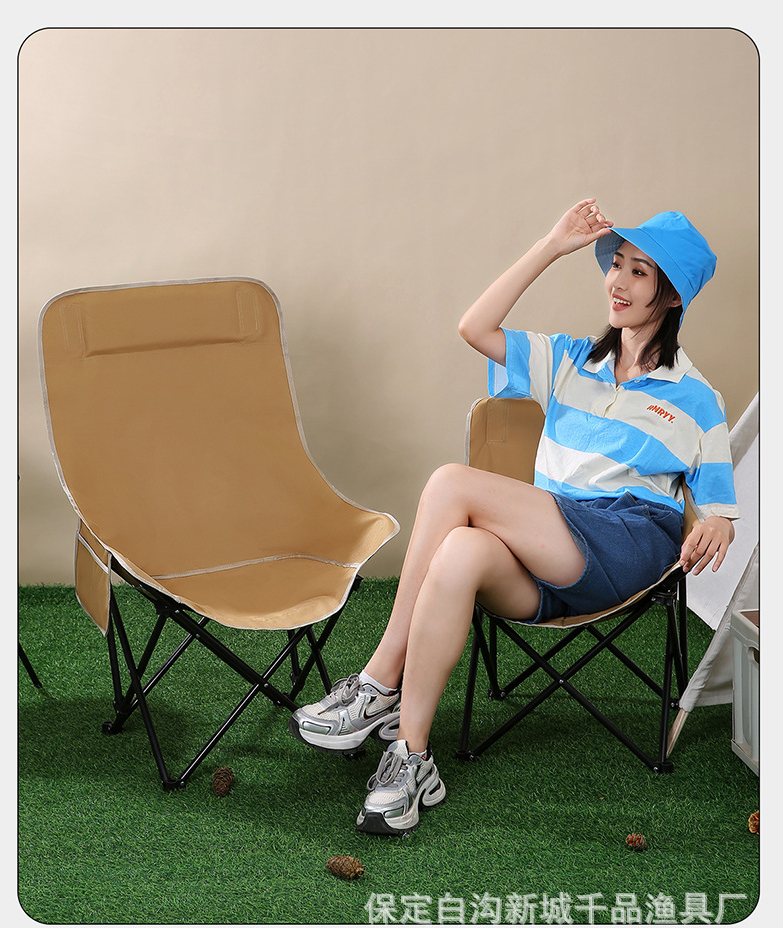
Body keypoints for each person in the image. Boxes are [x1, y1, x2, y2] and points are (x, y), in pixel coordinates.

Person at [288, 198, 739, 836]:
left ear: (670, 296)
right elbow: (474, 326)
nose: (617, 280)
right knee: (460, 552)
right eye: (617, 264)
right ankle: (411, 755)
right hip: (551, 547)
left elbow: (719, 510)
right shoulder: (571, 360)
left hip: (627, 540)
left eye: (640, 272)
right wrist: (552, 245)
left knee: (451, 483)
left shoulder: (697, 398)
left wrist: (717, 523)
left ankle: (378, 681)